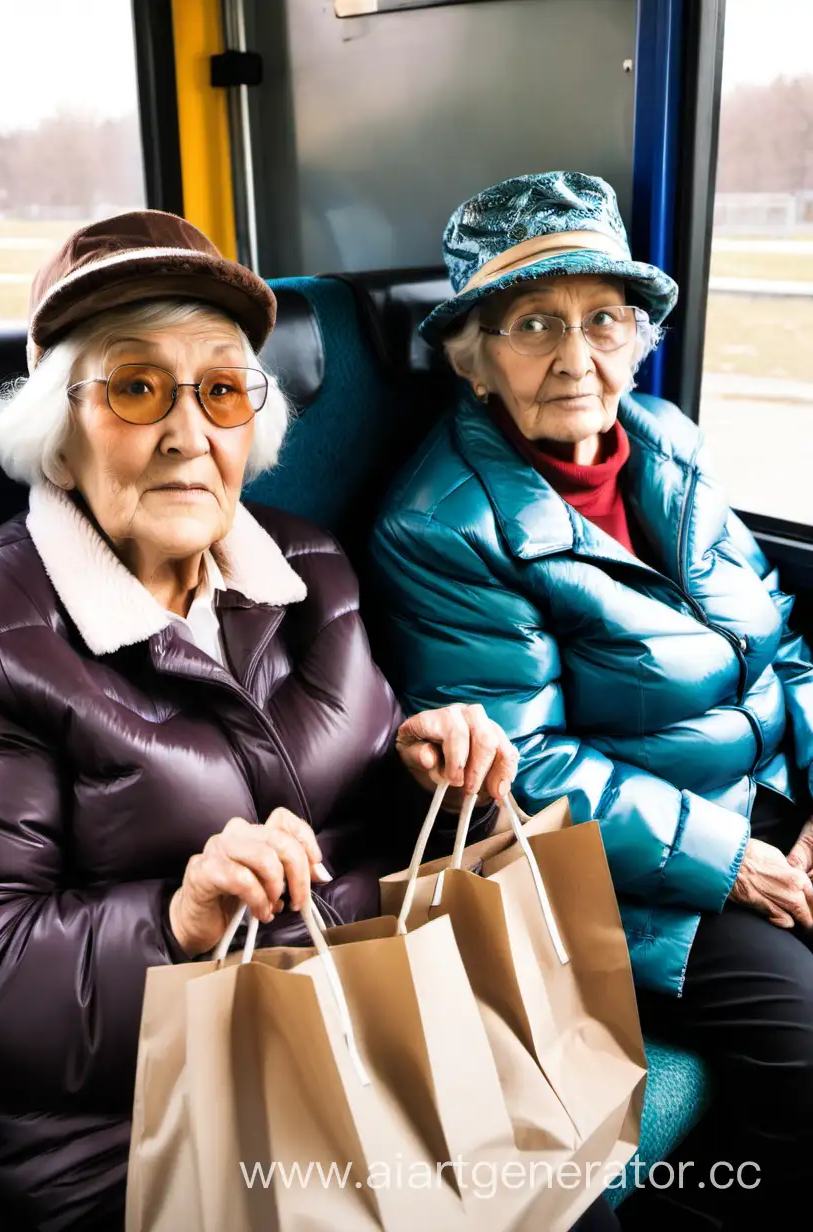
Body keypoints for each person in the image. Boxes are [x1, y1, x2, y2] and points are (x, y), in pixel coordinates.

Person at [0, 210, 528, 1231]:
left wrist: (437, 780)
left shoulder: (309, 567)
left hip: (363, 1044)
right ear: (60, 420)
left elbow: (364, 812)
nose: (188, 432)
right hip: (141, 1133)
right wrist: (177, 925)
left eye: (222, 389)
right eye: (137, 387)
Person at [371, 171, 813, 1227]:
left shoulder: (667, 441)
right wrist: (733, 858)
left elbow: (781, 637)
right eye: (533, 324)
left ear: (635, 336)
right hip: (607, 877)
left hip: (754, 798)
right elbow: (528, 767)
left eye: (601, 320)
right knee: (802, 1048)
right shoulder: (441, 523)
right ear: (476, 356)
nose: (576, 357)